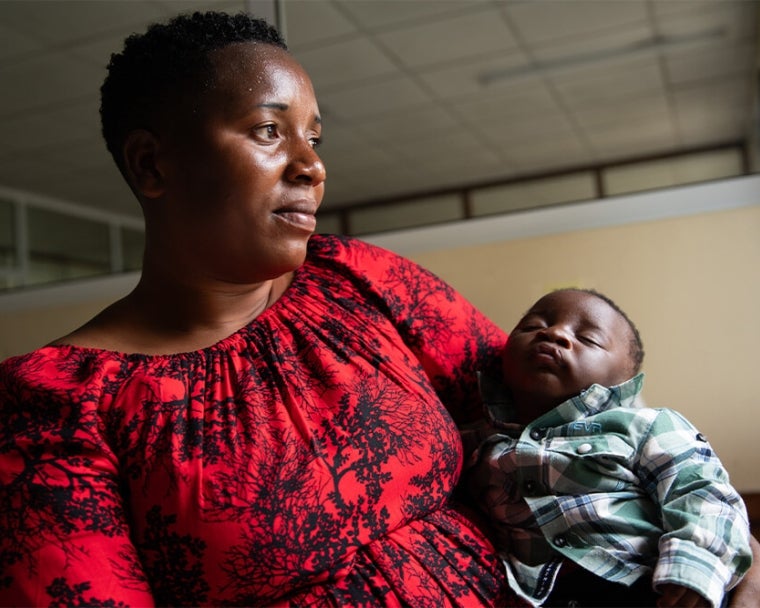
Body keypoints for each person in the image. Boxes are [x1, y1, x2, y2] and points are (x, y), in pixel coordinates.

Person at [0, 10, 759, 608]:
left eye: (315, 136)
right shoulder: (56, 404)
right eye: (270, 131)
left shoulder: (358, 281)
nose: (313, 165)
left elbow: (563, 418)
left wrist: (722, 554)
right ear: (152, 162)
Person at [462, 288, 753, 607]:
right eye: (533, 325)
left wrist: (695, 567)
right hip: (544, 595)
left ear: (621, 382)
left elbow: (702, 492)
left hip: (653, 584)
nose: (555, 333)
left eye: (588, 338)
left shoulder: (644, 425)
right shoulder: (476, 438)